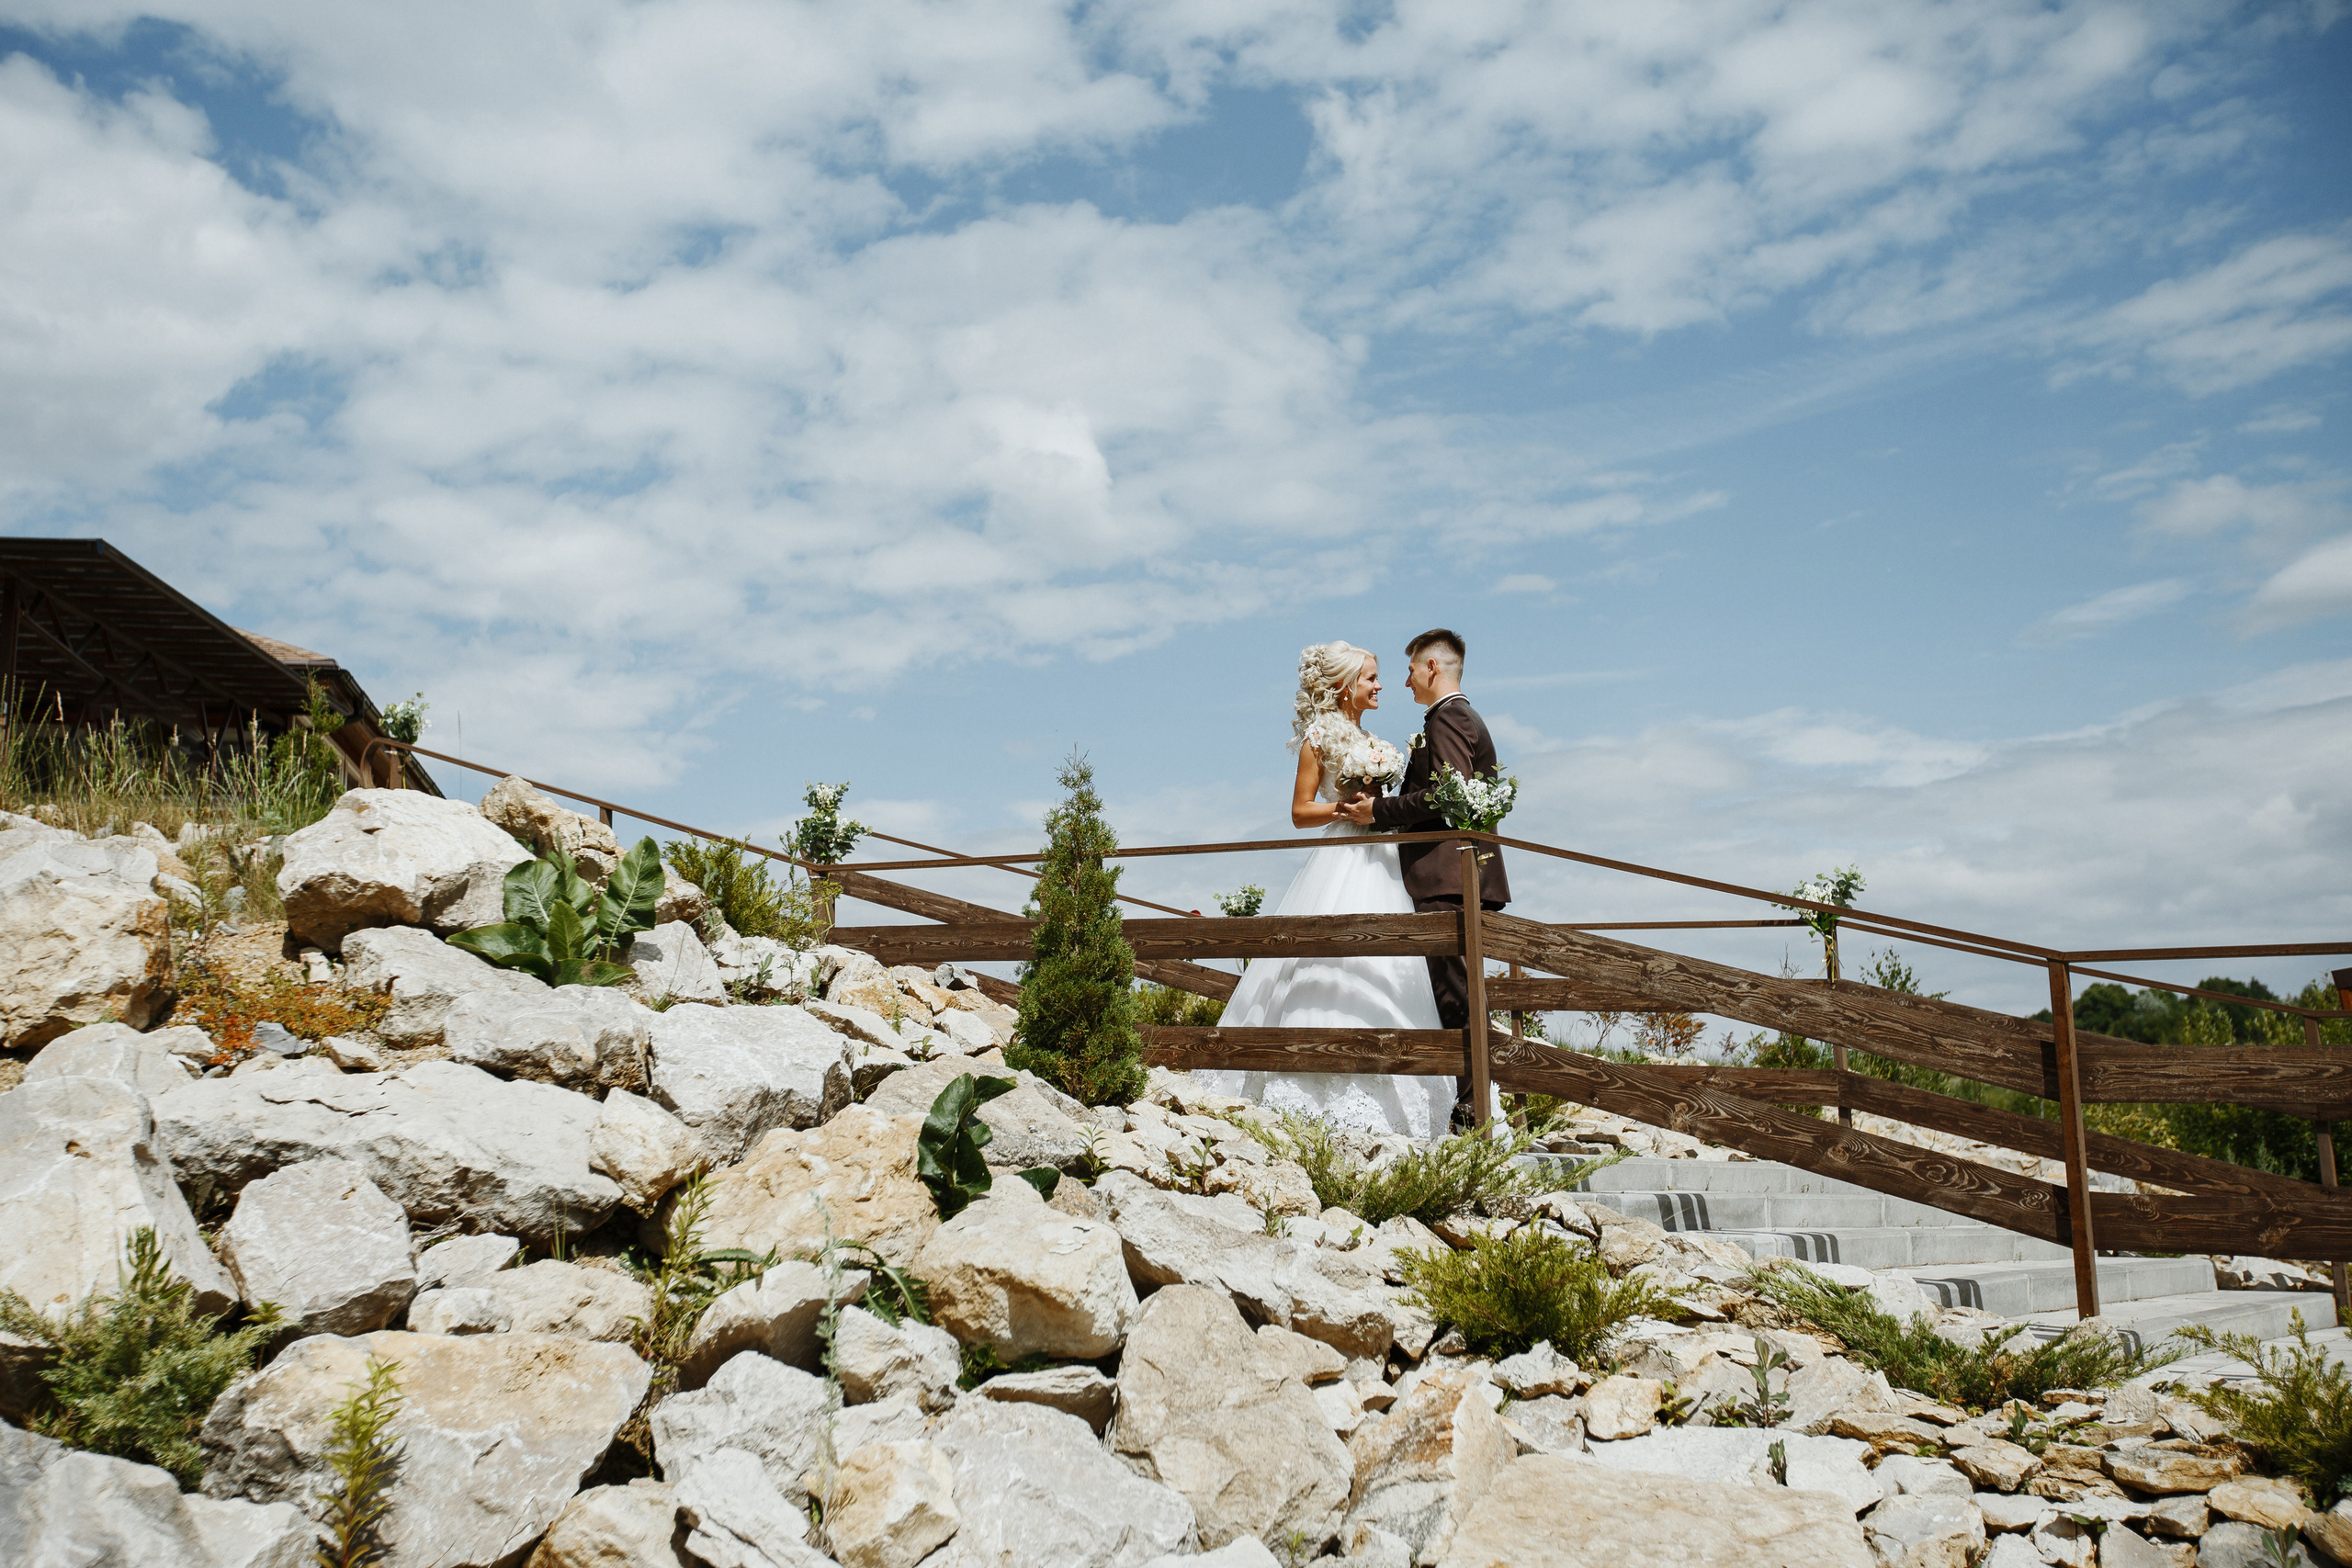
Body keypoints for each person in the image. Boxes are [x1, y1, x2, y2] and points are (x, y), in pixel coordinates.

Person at [1193, 641, 1455, 1139]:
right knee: (1329, 959)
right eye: (1371, 678)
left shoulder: (1372, 739)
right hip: (1341, 858)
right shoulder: (1318, 737)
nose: (1380, 685)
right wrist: (1345, 810)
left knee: (1391, 962)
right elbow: (1299, 811)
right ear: (1344, 685)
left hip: (1381, 858)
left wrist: (1378, 809)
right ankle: (1310, 1085)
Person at [1340, 627, 1511, 1128]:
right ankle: (1473, 1106)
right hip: (1455, 876)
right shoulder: (1457, 717)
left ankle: (1474, 1113)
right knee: (1458, 994)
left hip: (1448, 877)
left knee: (1456, 998)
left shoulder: (1449, 718)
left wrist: (1379, 811)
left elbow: (1447, 794)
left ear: (1431, 667)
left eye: (1411, 668)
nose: (1406, 679)